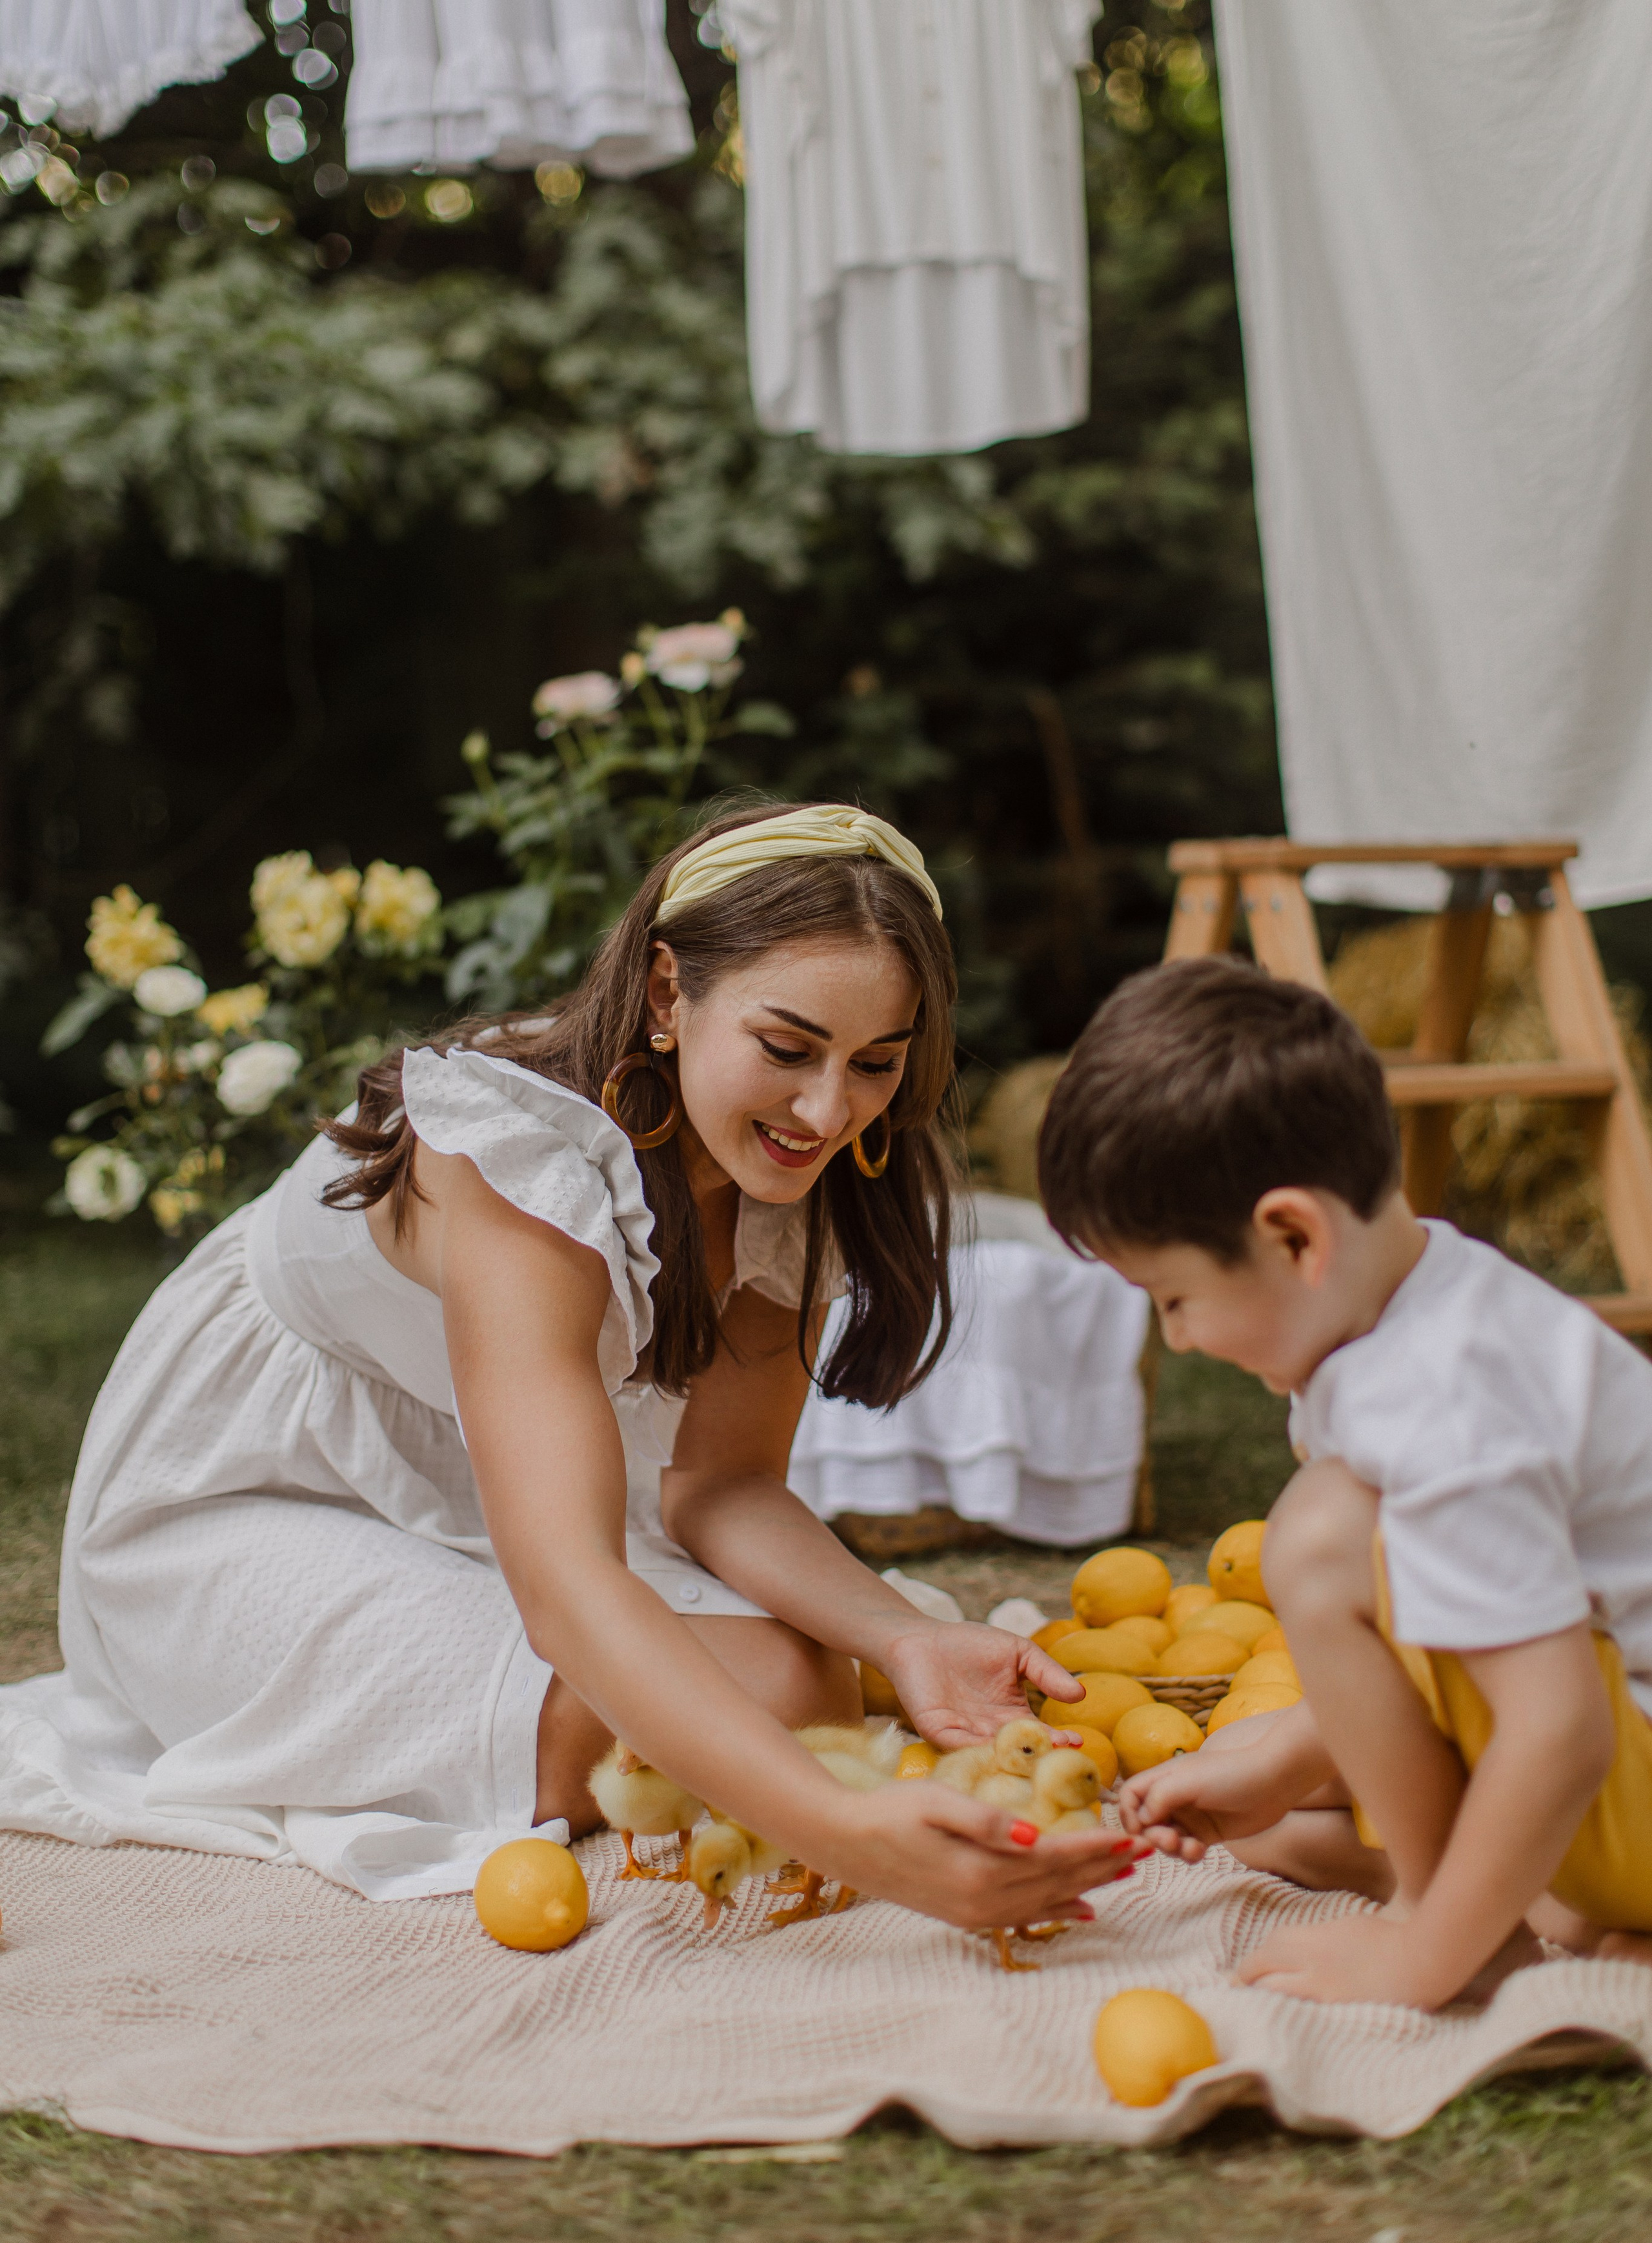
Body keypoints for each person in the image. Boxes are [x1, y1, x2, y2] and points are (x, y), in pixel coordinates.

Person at [0, 801, 1131, 1936]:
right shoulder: (513, 1159)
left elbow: (721, 1486)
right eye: (787, 1049)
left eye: (875, 1063)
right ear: (666, 995)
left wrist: (904, 1635)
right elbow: (569, 1588)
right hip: (243, 1504)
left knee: (806, 1682)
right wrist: (839, 1828)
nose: (828, 1110)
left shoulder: (787, 1181)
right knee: (765, 1705)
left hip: (472, 1506)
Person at [1037, 953, 1652, 2008]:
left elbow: (1558, 1730)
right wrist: (1283, 1763)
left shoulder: (1438, 1399)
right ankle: (1509, 1901)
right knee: (1282, 1804)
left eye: (1174, 1298)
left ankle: (1461, 1925)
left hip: (1613, 1767)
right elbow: (1453, 1624)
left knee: (1319, 1538)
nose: (1177, 1341)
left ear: (1293, 1237)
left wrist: (1424, 1962)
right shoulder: (1417, 1304)